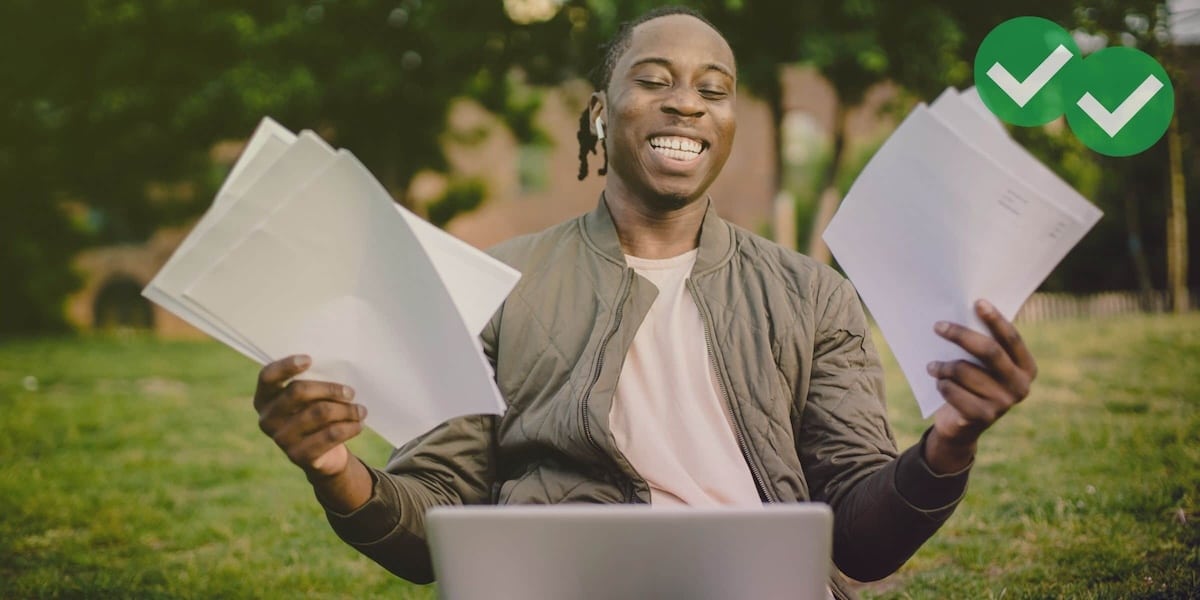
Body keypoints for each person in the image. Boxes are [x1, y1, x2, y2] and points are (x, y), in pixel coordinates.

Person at [251, 7, 1038, 599]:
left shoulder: (812, 295)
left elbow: (863, 543)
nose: (686, 104)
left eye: (714, 90)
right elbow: (432, 531)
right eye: (654, 80)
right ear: (601, 112)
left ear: (728, 125)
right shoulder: (494, 287)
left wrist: (950, 445)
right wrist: (332, 467)